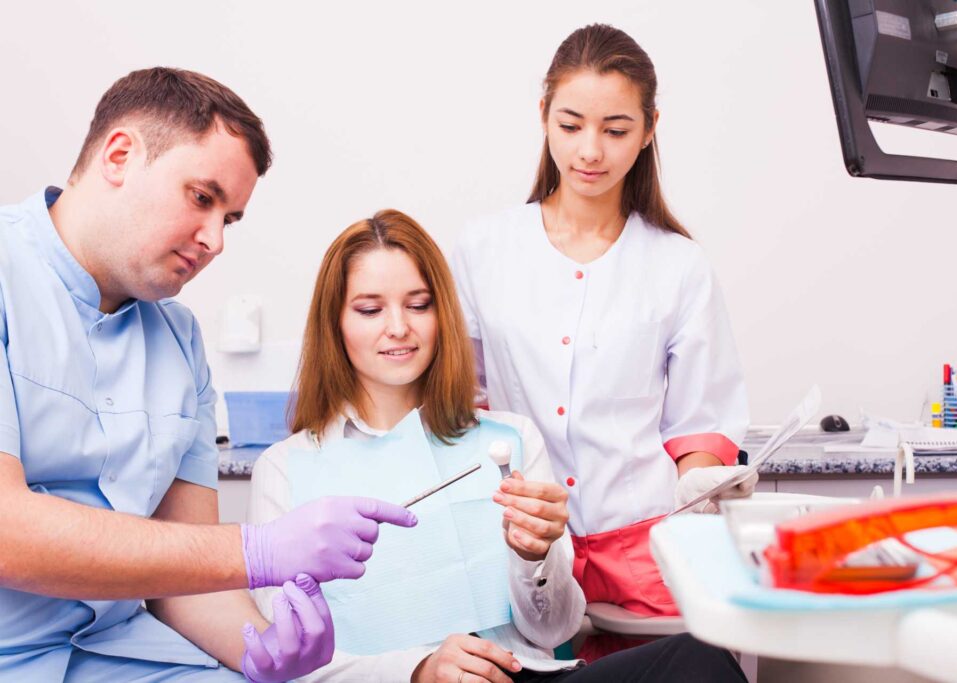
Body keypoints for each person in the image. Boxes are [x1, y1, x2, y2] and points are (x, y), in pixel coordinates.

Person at [0, 67, 416, 682]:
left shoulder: (178, 340)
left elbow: (185, 578)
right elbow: (8, 534)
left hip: (123, 656)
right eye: (202, 198)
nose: (216, 240)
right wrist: (256, 551)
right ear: (120, 156)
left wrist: (261, 647)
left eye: (232, 218)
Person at [247, 209, 747, 682]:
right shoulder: (287, 469)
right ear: (335, 323)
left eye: (418, 305)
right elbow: (292, 665)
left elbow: (554, 631)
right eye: (370, 309)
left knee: (700, 657)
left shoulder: (509, 440)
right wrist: (417, 670)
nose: (398, 327)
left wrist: (535, 557)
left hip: (521, 675)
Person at [450, 24, 754, 660]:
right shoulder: (483, 250)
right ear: (543, 116)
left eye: (616, 130)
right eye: (571, 125)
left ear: (649, 130)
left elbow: (700, 422)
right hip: (520, 542)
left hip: (644, 548)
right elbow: (459, 404)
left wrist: (704, 486)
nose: (591, 150)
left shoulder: (679, 265)